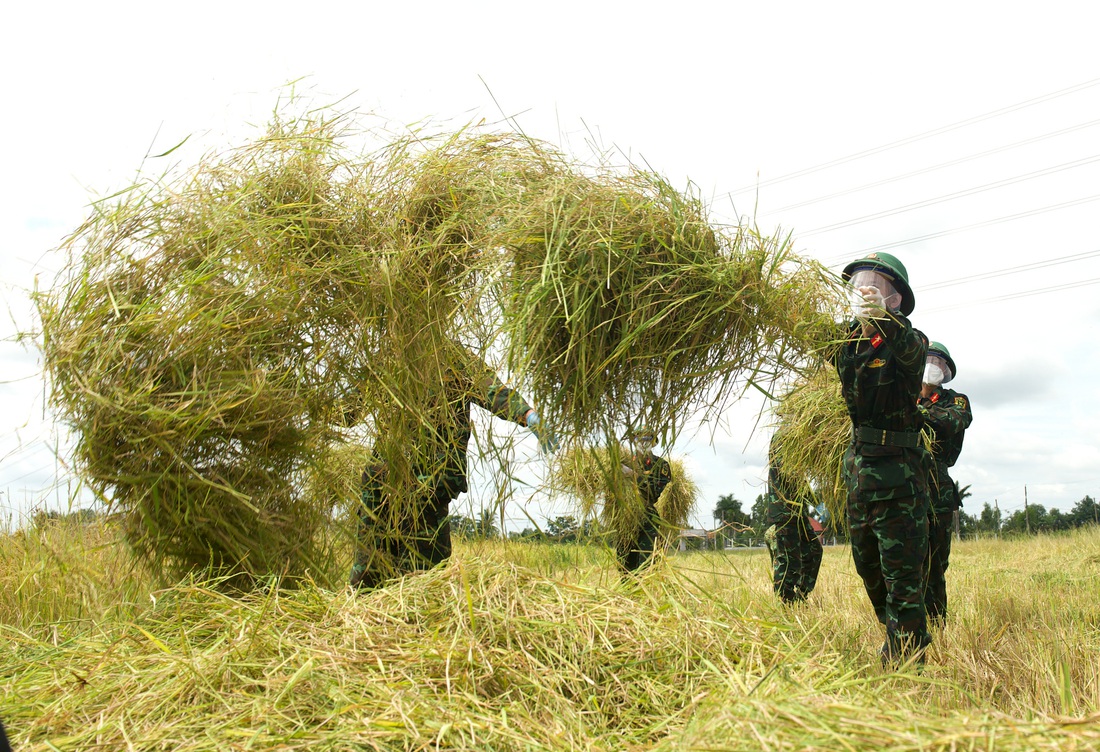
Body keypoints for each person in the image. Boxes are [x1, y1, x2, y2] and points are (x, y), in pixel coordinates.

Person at [349, 348, 556, 589]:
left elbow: (493, 393)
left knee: (424, 579)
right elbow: (348, 413)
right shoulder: (384, 356)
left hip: (428, 485)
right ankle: (366, 622)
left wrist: (527, 414)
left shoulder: (453, 357)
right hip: (383, 484)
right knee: (369, 577)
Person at [833, 251, 931, 664]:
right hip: (860, 475)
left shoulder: (910, 341)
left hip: (899, 477)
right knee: (868, 568)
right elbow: (816, 339)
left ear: (896, 299)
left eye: (878, 285)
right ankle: (899, 635)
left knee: (902, 577)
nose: (866, 289)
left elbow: (909, 351)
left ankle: (907, 656)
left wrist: (883, 323)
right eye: (859, 284)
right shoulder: (848, 342)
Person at [917, 341, 972, 625]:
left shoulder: (955, 400)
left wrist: (917, 415)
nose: (933, 367)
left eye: (939, 363)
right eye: (929, 360)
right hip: (904, 487)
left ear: (946, 370)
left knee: (936, 565)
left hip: (937, 490)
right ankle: (907, 624)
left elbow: (954, 421)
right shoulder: (902, 395)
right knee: (907, 563)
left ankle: (937, 624)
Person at [764, 429, 823, 603]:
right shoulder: (783, 437)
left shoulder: (797, 439)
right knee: (789, 561)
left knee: (814, 551)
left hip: (799, 513)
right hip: (785, 511)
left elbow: (801, 482)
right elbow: (786, 470)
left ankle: (801, 596)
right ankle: (785, 604)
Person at [616, 427, 673, 573]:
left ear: (654, 442)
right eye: (639, 438)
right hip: (626, 519)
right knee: (625, 567)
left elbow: (654, 493)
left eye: (648, 438)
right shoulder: (623, 461)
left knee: (648, 565)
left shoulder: (661, 465)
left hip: (648, 519)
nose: (643, 442)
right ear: (633, 441)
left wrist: (634, 475)